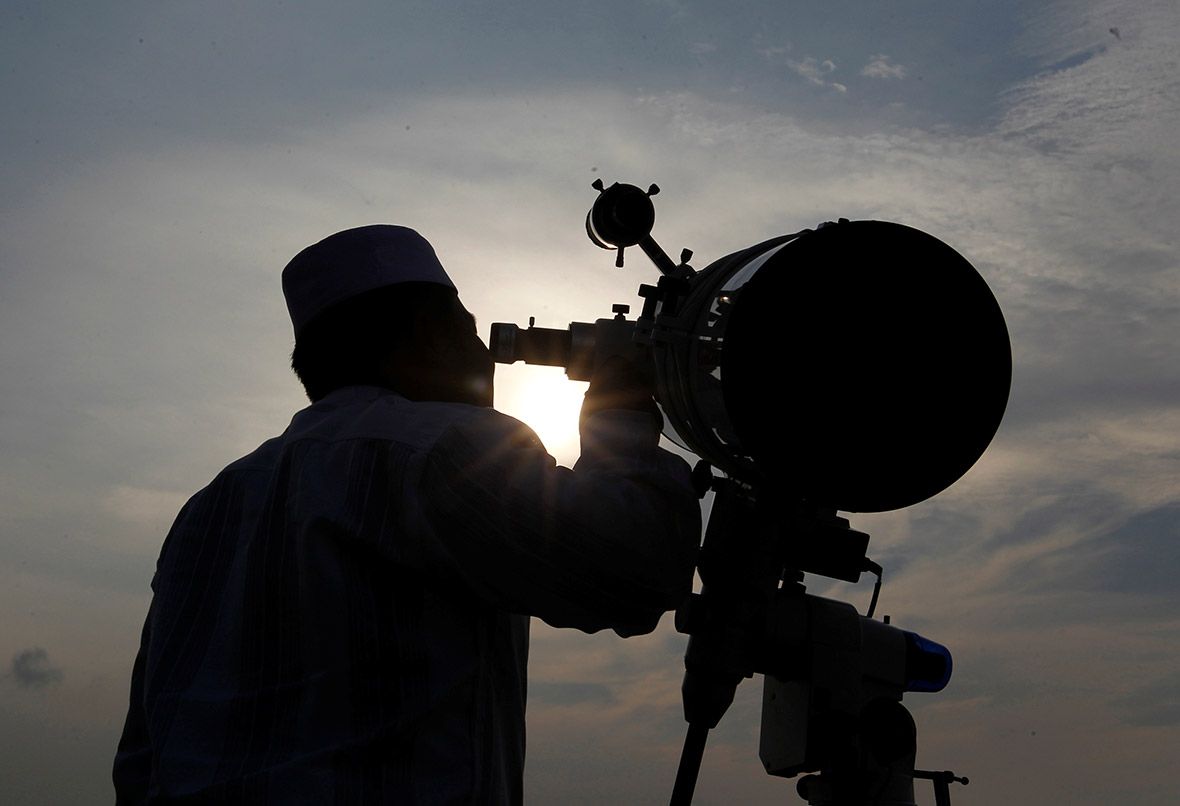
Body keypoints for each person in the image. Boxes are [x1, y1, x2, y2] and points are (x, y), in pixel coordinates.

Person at [113, 225, 701, 805]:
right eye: (469, 334)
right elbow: (636, 564)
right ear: (431, 335)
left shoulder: (208, 508)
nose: (485, 357)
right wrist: (619, 414)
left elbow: (142, 753)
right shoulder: (441, 448)